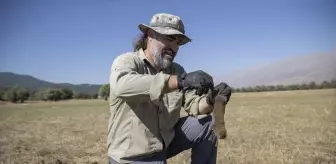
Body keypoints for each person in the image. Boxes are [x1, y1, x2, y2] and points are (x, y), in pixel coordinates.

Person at [107, 13, 232, 164]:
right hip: (132, 155)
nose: (174, 47)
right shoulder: (127, 62)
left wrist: (211, 99)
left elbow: (194, 105)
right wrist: (178, 81)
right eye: (169, 38)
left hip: (164, 143)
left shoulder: (177, 70)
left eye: (178, 42)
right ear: (150, 35)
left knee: (207, 124)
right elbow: (122, 86)